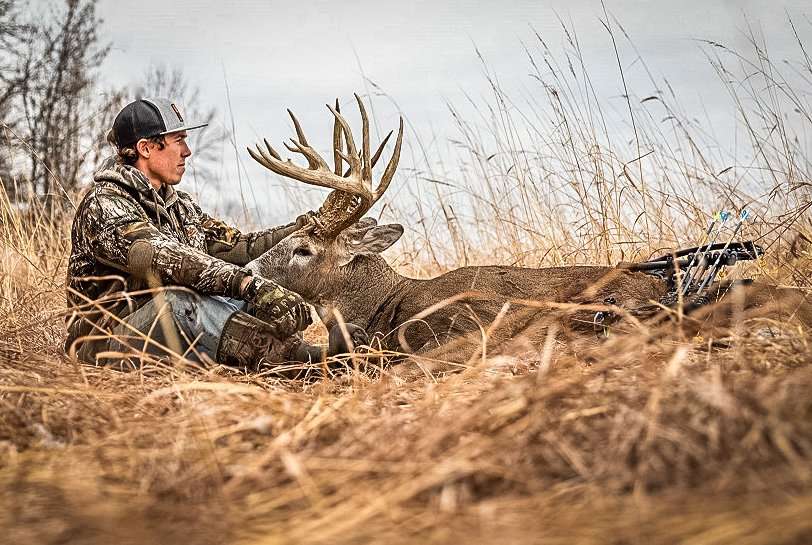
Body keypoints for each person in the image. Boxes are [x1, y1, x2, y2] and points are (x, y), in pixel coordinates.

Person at [65, 97, 362, 371]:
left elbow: (240, 246)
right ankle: (307, 362)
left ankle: (289, 357)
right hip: (104, 345)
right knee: (179, 302)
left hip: (170, 330)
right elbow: (162, 258)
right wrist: (249, 285)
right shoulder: (104, 204)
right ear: (145, 148)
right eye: (178, 141)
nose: (187, 151)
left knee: (254, 289)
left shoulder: (180, 207)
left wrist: (308, 226)